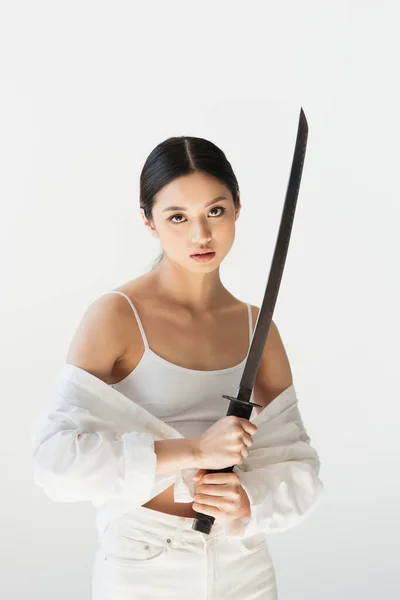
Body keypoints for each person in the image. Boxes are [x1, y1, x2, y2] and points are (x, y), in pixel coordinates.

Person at [33, 135, 323, 599]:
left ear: (237, 208)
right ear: (148, 221)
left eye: (215, 211)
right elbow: (56, 462)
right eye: (177, 217)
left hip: (243, 564)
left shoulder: (258, 328)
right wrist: (194, 452)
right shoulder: (116, 316)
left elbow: (301, 468)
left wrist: (250, 501)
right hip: (143, 563)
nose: (200, 236)